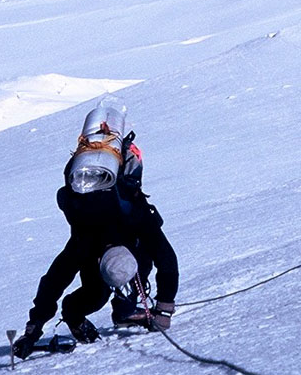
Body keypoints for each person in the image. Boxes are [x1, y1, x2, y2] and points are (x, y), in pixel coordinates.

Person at [12, 131, 179, 359]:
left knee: (143, 264)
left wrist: (163, 311)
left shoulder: (138, 219)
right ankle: (75, 313)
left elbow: (167, 261)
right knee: (96, 294)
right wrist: (32, 330)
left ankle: (125, 309)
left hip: (134, 244)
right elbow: (53, 283)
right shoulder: (84, 243)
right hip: (100, 247)